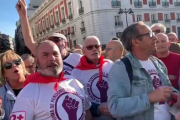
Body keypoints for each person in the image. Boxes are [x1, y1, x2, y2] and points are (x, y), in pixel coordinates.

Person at [107, 22, 179, 120]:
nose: (155, 38)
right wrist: (149, 98)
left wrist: (176, 96)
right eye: (150, 34)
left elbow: (168, 88)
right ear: (135, 42)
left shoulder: (158, 63)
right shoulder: (122, 67)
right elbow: (115, 107)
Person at [9, 40, 92, 120]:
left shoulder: (74, 82)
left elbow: (87, 112)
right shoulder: (27, 94)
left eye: (55, 54)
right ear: (37, 61)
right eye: (45, 55)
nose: (52, 58)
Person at [16, 0, 81, 75]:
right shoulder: (46, 57)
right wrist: (23, 16)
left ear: (65, 43)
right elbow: (29, 41)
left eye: (56, 40)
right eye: (50, 40)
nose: (52, 43)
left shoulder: (78, 58)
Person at [72, 36, 114, 120]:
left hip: (116, 113)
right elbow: (78, 99)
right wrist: (97, 108)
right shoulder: (76, 72)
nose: (94, 49)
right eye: (90, 47)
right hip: (94, 116)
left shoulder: (110, 64)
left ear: (101, 48)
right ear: (84, 51)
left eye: (97, 46)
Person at [0, 50, 28, 120]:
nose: (14, 65)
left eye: (17, 62)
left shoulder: (37, 87)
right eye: (8, 65)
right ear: (4, 73)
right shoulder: (1, 94)